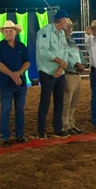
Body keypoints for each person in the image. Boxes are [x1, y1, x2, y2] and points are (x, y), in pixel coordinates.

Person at [35, 10, 72, 138]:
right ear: (62, 20)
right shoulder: (45, 31)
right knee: (45, 102)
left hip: (59, 72)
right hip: (46, 71)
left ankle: (58, 128)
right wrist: (60, 62)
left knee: (59, 101)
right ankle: (41, 130)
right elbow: (44, 51)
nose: (68, 23)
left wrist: (61, 68)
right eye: (67, 20)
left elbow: (65, 50)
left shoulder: (61, 33)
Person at [0, 20, 31, 146]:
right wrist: (14, 75)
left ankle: (20, 134)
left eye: (10, 30)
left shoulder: (21, 46)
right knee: (6, 110)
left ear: (15, 32)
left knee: (20, 110)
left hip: (20, 83)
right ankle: (5, 137)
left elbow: (27, 62)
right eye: (6, 31)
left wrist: (18, 73)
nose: (8, 33)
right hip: (7, 83)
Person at [62, 21, 86, 135]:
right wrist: (77, 65)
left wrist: (83, 63)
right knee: (67, 101)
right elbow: (64, 56)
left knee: (73, 101)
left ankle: (71, 124)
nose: (71, 29)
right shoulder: (62, 41)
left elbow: (80, 54)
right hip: (69, 73)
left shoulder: (71, 41)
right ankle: (65, 125)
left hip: (76, 74)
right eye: (69, 27)